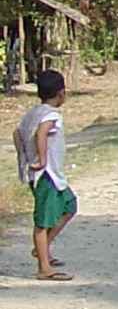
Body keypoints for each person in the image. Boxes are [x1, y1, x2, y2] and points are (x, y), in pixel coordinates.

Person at [14, 69, 73, 281]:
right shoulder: (50, 115)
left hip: (51, 175)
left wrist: (23, 158)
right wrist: (41, 160)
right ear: (61, 93)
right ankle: (44, 268)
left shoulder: (32, 112)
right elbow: (41, 132)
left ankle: (42, 248)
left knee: (69, 205)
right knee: (43, 221)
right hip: (45, 175)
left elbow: (17, 133)